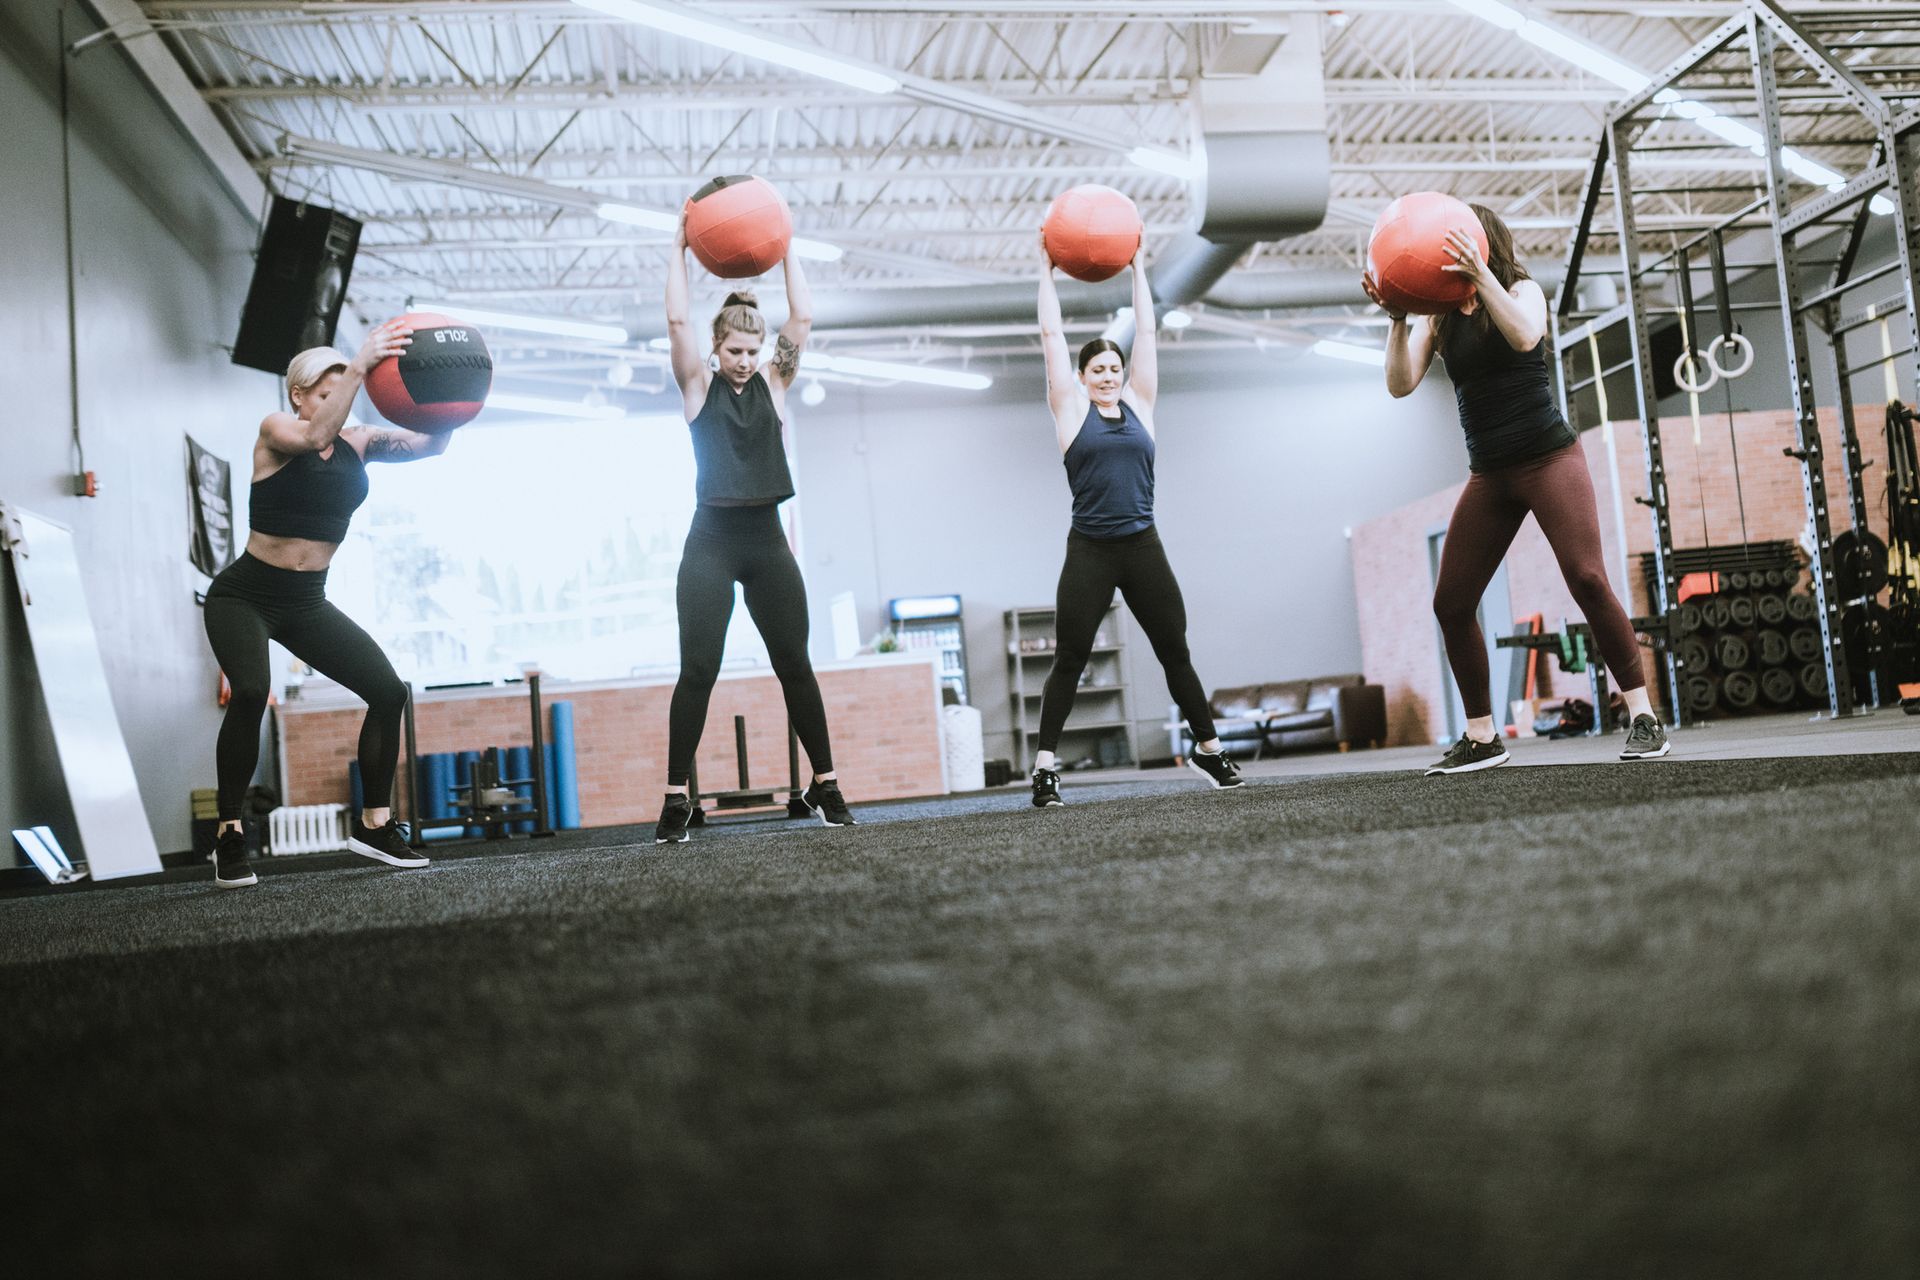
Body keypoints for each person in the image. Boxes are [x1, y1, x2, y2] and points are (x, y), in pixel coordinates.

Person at [1362, 202, 1671, 774]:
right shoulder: (1438, 318)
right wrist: (1399, 317)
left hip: (1549, 458)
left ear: (1482, 243)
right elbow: (1401, 385)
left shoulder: (1524, 291)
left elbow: (1526, 336)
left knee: (1587, 578)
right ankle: (1483, 736)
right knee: (1451, 603)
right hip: (1490, 475)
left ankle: (1643, 716)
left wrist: (1480, 276)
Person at [204, 322, 453, 888]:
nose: (340, 401)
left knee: (389, 692)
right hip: (243, 595)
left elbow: (431, 444)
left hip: (305, 603)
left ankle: (374, 824)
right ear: (299, 394)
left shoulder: (360, 442)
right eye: (326, 391)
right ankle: (229, 834)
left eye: (345, 388)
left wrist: (449, 396)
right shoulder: (276, 431)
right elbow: (316, 435)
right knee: (248, 692)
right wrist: (362, 364)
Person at [652, 215, 854, 844]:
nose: (743, 362)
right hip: (709, 544)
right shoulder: (696, 385)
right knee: (698, 671)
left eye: (751, 351)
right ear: (716, 349)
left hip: (767, 543)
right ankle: (676, 797)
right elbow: (678, 322)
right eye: (733, 351)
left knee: (796, 663)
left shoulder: (775, 381)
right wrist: (680, 248)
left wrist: (787, 248)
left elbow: (803, 319)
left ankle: (826, 784)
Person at [1030, 232, 1243, 808]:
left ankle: (1208, 747)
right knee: (1069, 657)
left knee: (1175, 649)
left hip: (1143, 544)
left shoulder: (1141, 404)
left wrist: (1138, 271)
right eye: (1097, 368)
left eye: (1113, 367)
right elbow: (1051, 335)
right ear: (1080, 377)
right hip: (1091, 549)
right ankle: (1046, 768)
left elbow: (1147, 332)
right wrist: (1046, 272)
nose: (1107, 375)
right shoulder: (1069, 409)